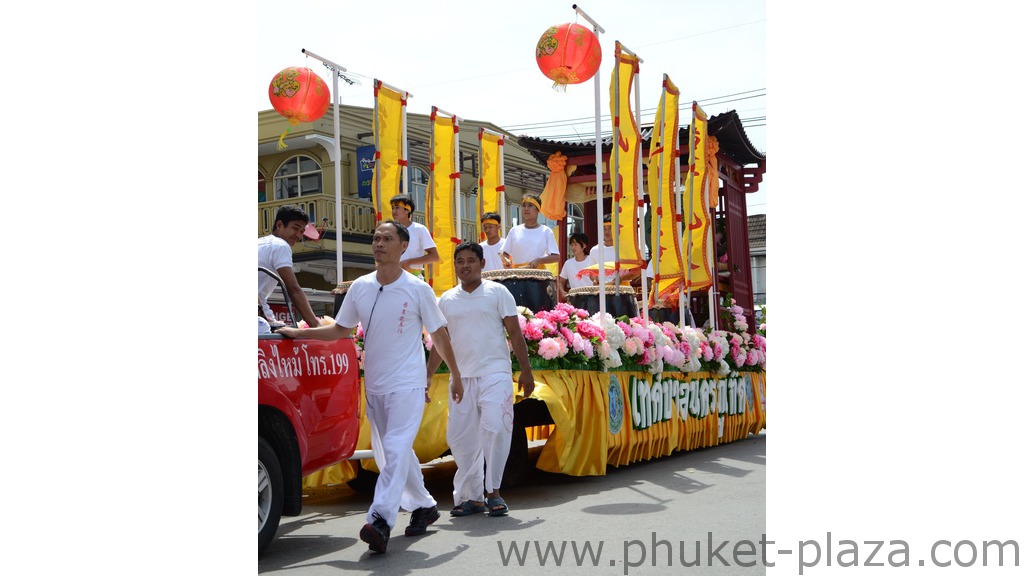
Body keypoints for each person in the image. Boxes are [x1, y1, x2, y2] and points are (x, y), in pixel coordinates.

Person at [277, 220, 464, 554]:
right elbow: (339, 331)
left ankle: (380, 520)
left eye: (387, 239)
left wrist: (456, 374)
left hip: (407, 384)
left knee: (393, 449)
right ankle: (424, 505)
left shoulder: (418, 289)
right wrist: (300, 333)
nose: (379, 243)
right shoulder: (360, 287)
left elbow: (438, 334)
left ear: (403, 246)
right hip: (375, 386)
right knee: (392, 452)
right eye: (376, 238)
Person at [426, 242, 535, 518]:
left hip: (495, 372)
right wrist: (427, 375)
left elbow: (515, 334)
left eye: (471, 260)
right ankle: (471, 497)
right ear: (454, 266)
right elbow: (441, 341)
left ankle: (494, 491)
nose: (465, 265)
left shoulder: (498, 292)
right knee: (461, 438)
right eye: (460, 261)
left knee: (496, 427)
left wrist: (526, 370)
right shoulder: (447, 300)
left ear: (482, 264)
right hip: (461, 378)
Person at [258, 205, 321, 328]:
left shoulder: (260, 242)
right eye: (295, 228)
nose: (298, 235)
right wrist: (317, 326)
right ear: (280, 225)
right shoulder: (281, 246)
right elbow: (293, 289)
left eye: (302, 232)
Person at [500, 193, 560, 269]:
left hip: (538, 275)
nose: (526, 208)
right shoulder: (514, 231)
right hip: (518, 275)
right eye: (524, 205)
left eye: (530, 205)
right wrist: (506, 261)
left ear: (538, 209)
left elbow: (556, 257)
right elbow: (505, 253)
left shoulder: (546, 231)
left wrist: (539, 260)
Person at [390, 193, 439, 278]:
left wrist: (409, 262)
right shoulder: (390, 230)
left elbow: (434, 256)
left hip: (413, 277)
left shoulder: (419, 229)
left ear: (407, 210)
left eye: (397, 207)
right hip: (392, 277)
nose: (394, 211)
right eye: (392, 208)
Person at [587, 215, 640, 285]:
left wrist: (621, 278)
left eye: (610, 228)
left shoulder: (625, 248)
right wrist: (595, 279)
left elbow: (637, 271)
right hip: (602, 290)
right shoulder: (595, 250)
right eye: (604, 229)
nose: (607, 232)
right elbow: (591, 272)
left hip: (623, 290)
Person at [558, 232, 595, 301]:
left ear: (584, 246)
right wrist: (562, 292)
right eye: (571, 245)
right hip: (575, 299)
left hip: (592, 297)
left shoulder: (592, 260)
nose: (573, 248)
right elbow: (561, 282)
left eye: (575, 244)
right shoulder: (568, 263)